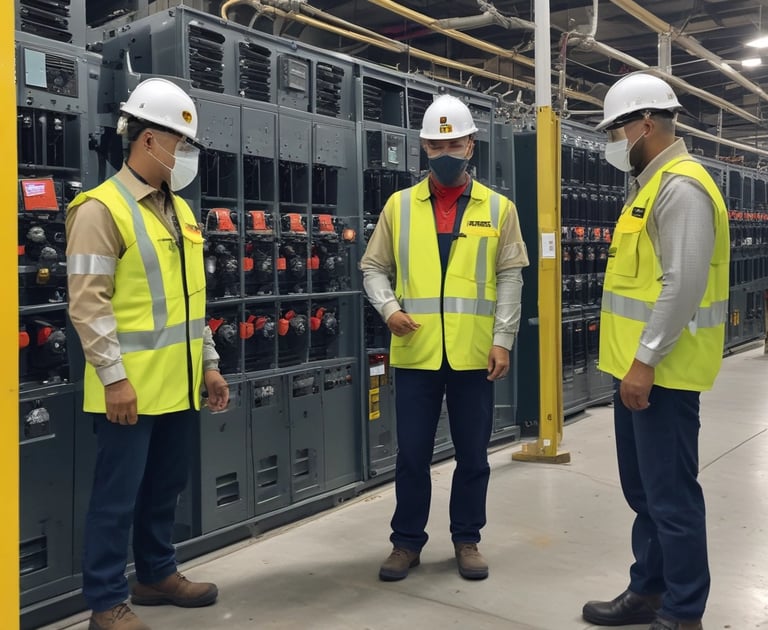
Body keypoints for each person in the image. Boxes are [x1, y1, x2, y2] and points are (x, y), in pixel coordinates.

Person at [66, 77, 230, 630]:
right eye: (181, 144)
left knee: (165, 488)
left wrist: (208, 364)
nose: (185, 156)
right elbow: (88, 307)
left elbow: (192, 301)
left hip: (178, 385)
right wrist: (114, 379)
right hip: (128, 391)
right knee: (116, 500)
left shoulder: (181, 212)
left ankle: (157, 573)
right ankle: (106, 602)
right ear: (148, 141)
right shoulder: (99, 210)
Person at [361, 94, 529, 582]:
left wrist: (504, 339)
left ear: (471, 146)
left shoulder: (499, 210)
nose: (444, 153)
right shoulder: (399, 206)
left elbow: (512, 279)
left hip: (475, 355)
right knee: (411, 454)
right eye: (434, 145)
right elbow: (373, 267)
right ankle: (406, 543)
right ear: (424, 149)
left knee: (473, 455)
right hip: (416, 354)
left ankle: (467, 539)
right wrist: (389, 309)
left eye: (452, 143)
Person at [582, 73, 729, 630]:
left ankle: (684, 609)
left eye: (616, 129)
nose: (612, 141)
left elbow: (683, 283)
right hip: (636, 370)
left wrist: (644, 361)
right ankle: (648, 589)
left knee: (671, 497)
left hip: (662, 373)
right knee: (644, 491)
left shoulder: (681, 186)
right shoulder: (651, 185)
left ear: (645, 124)